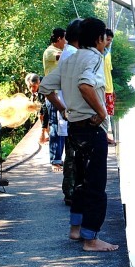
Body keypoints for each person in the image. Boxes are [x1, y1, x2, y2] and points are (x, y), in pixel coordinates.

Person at [39, 17, 118, 252]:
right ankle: (91, 239)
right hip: (92, 129)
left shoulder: (70, 58)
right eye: (104, 37)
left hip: (74, 128)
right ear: (98, 39)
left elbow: (45, 87)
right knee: (96, 185)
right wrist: (102, 112)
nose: (106, 42)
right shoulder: (94, 58)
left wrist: (63, 109)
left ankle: (76, 229)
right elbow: (85, 85)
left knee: (81, 181)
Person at [58, 18, 82, 205]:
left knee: (71, 155)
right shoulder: (74, 55)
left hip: (68, 110)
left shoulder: (68, 52)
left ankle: (70, 190)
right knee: (74, 157)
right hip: (73, 112)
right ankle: (72, 192)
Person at [43, 27, 66, 170]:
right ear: (58, 39)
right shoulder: (50, 51)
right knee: (55, 125)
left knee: (61, 126)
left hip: (59, 93)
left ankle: (58, 157)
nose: (66, 42)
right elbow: (62, 56)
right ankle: (55, 159)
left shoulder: (59, 51)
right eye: (64, 39)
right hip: (53, 94)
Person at [24, 73, 49, 143]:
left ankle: (47, 134)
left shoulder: (44, 87)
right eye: (30, 87)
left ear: (39, 83)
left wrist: (42, 132)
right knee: (40, 115)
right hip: (44, 100)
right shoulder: (34, 84)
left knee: (43, 114)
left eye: (34, 87)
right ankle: (49, 134)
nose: (32, 89)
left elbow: (45, 108)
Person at [102, 28, 116, 145]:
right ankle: (104, 136)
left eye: (110, 41)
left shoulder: (107, 53)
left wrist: (112, 90)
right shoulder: (99, 54)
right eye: (107, 40)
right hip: (102, 88)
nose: (109, 43)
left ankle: (105, 136)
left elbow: (109, 71)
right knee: (103, 114)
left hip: (109, 88)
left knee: (107, 115)